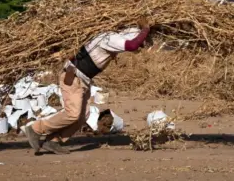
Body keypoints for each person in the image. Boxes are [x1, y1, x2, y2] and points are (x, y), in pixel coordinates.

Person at [25, 17, 151, 154]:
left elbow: (134, 44)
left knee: (82, 117)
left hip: (83, 80)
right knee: (72, 114)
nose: (140, 44)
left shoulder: (109, 37)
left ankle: (53, 140)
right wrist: (146, 29)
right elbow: (132, 45)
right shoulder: (109, 38)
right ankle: (36, 129)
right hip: (73, 77)